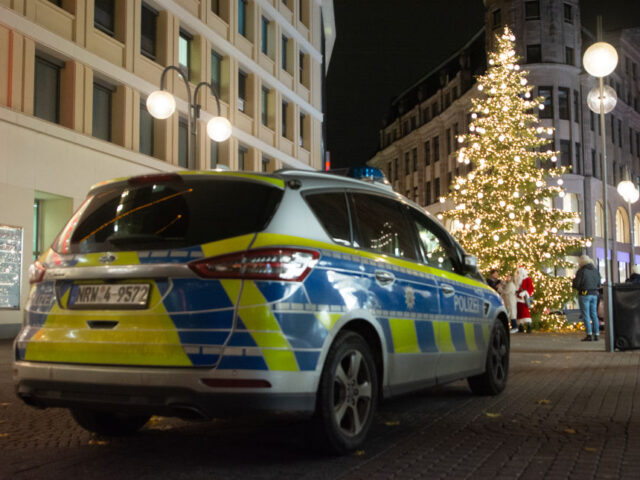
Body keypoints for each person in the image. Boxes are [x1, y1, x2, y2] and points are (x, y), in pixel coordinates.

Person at [572, 254, 601, 342]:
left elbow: (577, 284)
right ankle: (596, 334)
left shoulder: (581, 271)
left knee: (586, 315)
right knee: (594, 314)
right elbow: (599, 283)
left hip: (584, 294)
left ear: (581, 262)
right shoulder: (595, 270)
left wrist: (575, 283)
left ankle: (589, 334)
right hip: (594, 294)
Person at [515, 266, 534, 333]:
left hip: (524, 298)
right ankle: (521, 325)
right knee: (519, 312)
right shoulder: (517, 279)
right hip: (517, 298)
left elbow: (530, 289)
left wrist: (525, 293)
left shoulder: (528, 279)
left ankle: (528, 325)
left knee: (525, 312)